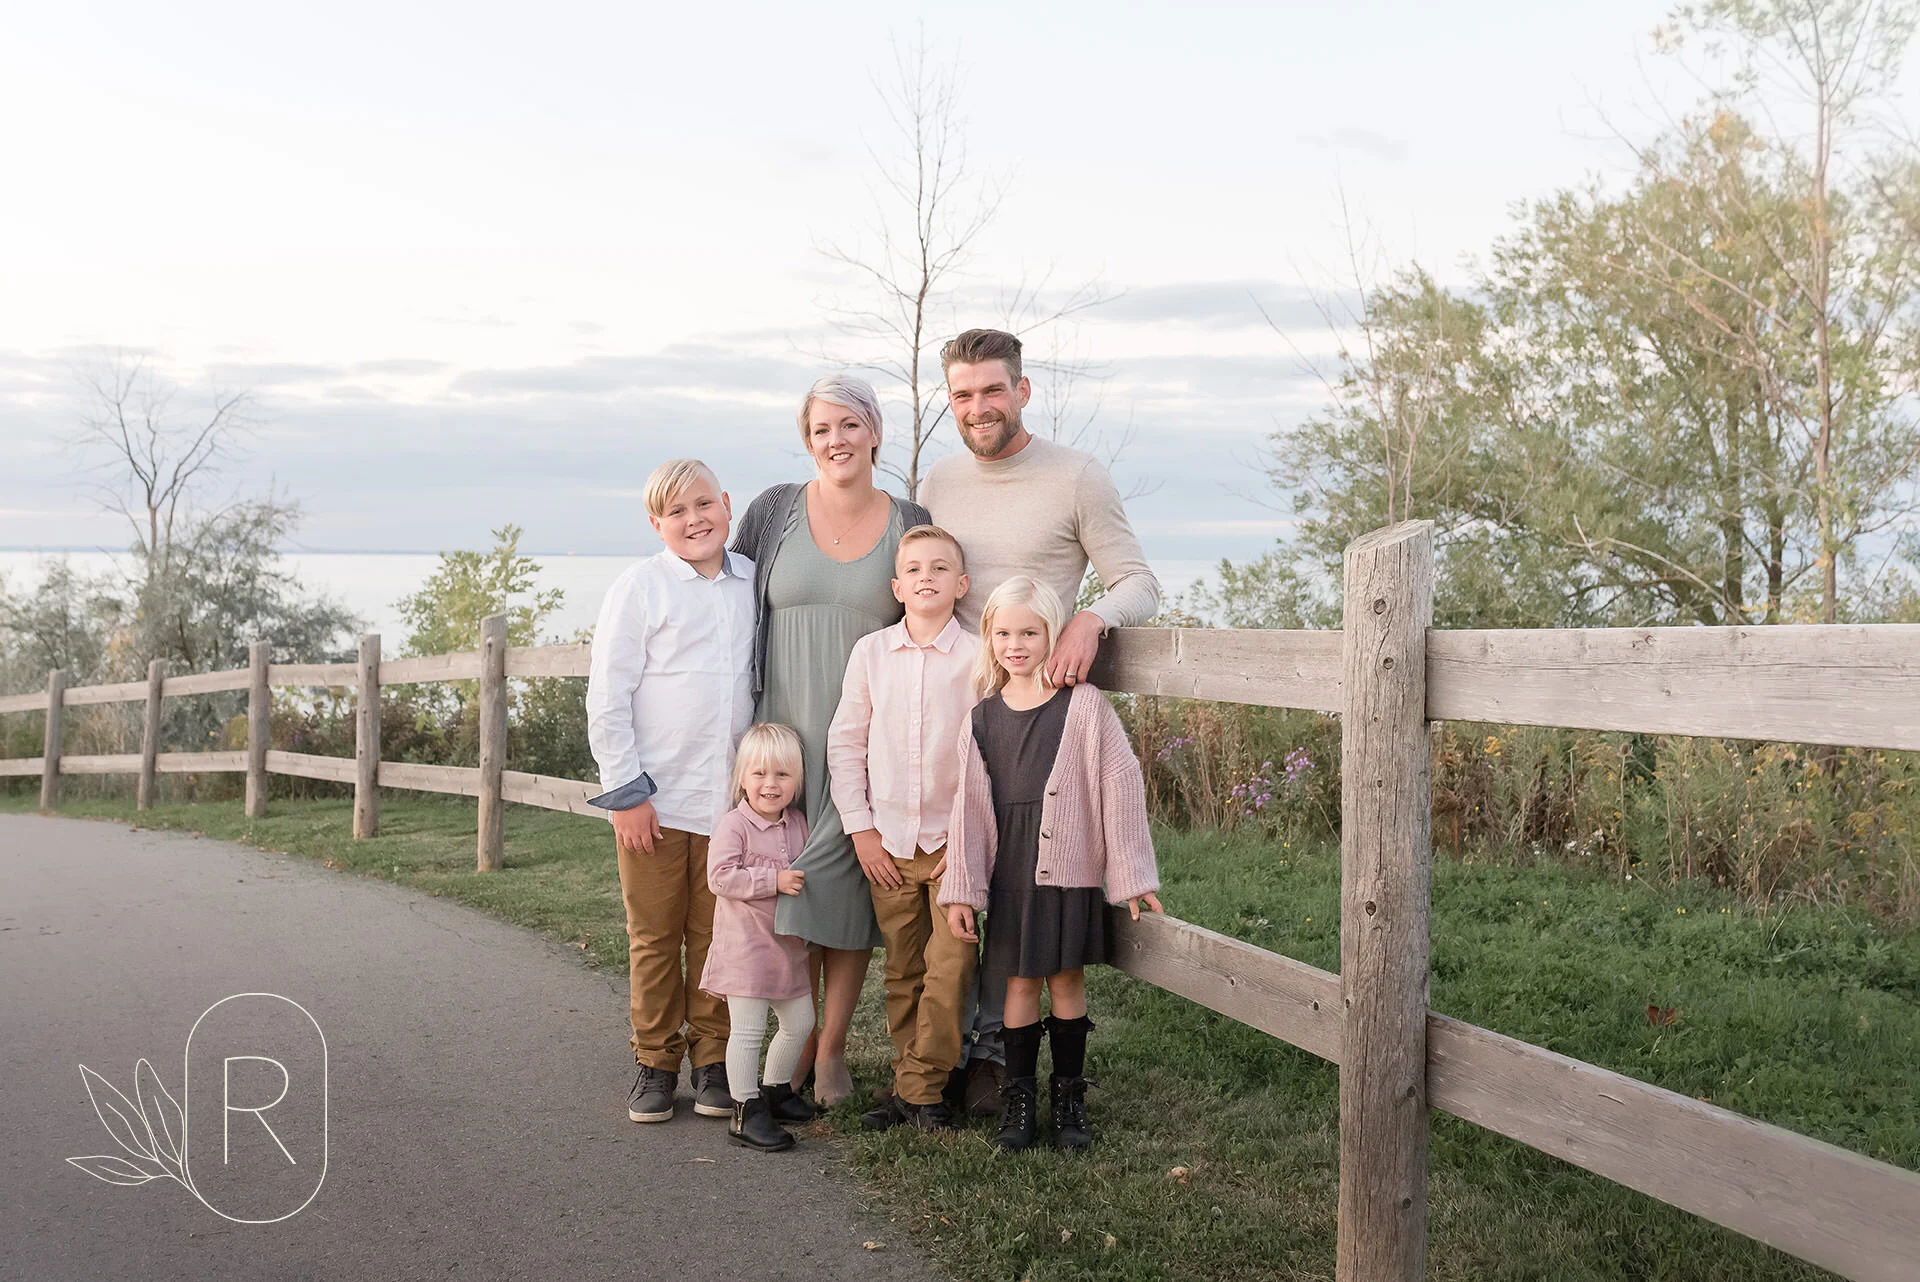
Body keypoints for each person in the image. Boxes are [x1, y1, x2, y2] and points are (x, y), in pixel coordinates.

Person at [918, 326, 1162, 1114]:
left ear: (1023, 390)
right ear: (948, 402)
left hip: (1040, 719)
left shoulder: (1077, 477)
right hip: (958, 710)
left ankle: (1000, 1064)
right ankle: (944, 1057)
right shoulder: (940, 481)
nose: (978, 406)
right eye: (962, 394)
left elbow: (1138, 580)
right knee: (959, 879)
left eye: (993, 389)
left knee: (1024, 884)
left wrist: (1092, 619)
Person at [730, 375, 931, 1107]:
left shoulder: (910, 519)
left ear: (875, 432)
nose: (835, 441)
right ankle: (791, 1035)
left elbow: (931, 612)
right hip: (777, 736)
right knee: (787, 888)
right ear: (806, 439)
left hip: (863, 739)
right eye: (820, 429)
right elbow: (727, 597)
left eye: (849, 425)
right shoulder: (772, 511)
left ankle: (832, 1048)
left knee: (845, 896)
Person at [939, 576, 1163, 1152]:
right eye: (1005, 632)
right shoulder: (982, 718)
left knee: (1065, 979)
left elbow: (1120, 784)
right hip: (1011, 870)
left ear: (1052, 635)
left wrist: (1132, 875)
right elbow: (966, 811)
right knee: (1017, 983)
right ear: (989, 638)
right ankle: (1019, 1100)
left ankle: (1069, 1098)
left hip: (1067, 870)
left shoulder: (1083, 706)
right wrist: (962, 889)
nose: (1017, 643)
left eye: (1031, 632)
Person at [586, 458, 754, 1125]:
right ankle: (655, 1061)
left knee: (719, 936)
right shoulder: (640, 588)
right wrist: (626, 793)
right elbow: (608, 695)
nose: (694, 520)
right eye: (677, 512)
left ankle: (712, 1059)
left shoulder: (748, 584)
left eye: (704, 504)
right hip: (653, 802)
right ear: (656, 524)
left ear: (727, 505)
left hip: (730, 804)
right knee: (656, 937)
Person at [825, 524, 980, 1132]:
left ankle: (920, 1090)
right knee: (904, 970)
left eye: (940, 568)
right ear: (896, 585)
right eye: (914, 569)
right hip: (887, 845)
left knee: (951, 967)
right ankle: (911, 1085)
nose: (926, 578)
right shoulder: (871, 654)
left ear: (961, 585)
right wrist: (861, 831)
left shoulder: (976, 658)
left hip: (951, 849)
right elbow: (845, 743)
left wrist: (968, 842)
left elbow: (988, 758)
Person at [701, 722, 817, 1152]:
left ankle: (776, 1090)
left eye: (783, 775)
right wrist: (774, 880)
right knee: (748, 1031)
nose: (771, 784)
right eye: (760, 774)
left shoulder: (799, 823)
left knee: (800, 1021)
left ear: (797, 781)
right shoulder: (734, 826)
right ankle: (744, 1109)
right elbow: (720, 877)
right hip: (745, 946)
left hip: (786, 944)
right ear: (742, 778)